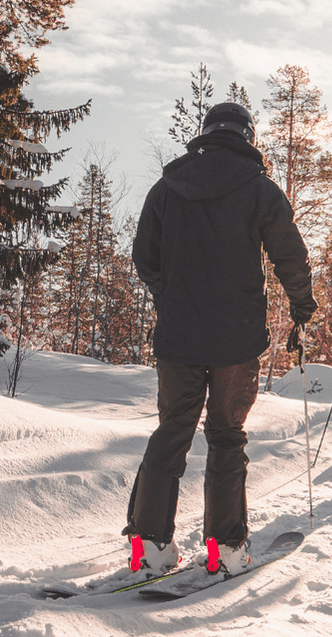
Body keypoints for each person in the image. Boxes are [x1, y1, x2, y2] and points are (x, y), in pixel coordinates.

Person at [124, 102, 317, 578]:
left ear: (205, 134)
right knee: (227, 437)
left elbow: (143, 256)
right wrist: (301, 308)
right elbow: (289, 254)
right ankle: (225, 550)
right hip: (236, 341)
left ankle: (147, 546)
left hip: (178, 339)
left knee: (172, 432)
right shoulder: (259, 190)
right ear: (247, 136)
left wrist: (169, 294)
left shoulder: (167, 187)